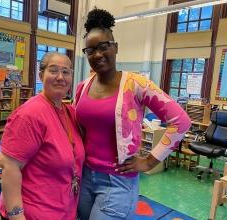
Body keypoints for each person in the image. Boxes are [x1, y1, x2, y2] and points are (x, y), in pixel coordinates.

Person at [74, 8, 191, 220]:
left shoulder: (136, 85)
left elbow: (181, 121)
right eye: (90, 50)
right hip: (85, 176)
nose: (98, 54)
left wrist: (148, 162)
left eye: (103, 47)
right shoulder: (82, 87)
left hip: (117, 182)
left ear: (115, 47)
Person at [0, 52, 85, 220]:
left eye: (66, 72)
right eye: (53, 71)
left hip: (63, 212)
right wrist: (17, 216)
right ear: (40, 75)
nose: (60, 77)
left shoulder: (71, 113)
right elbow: (9, 167)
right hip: (31, 214)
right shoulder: (30, 115)